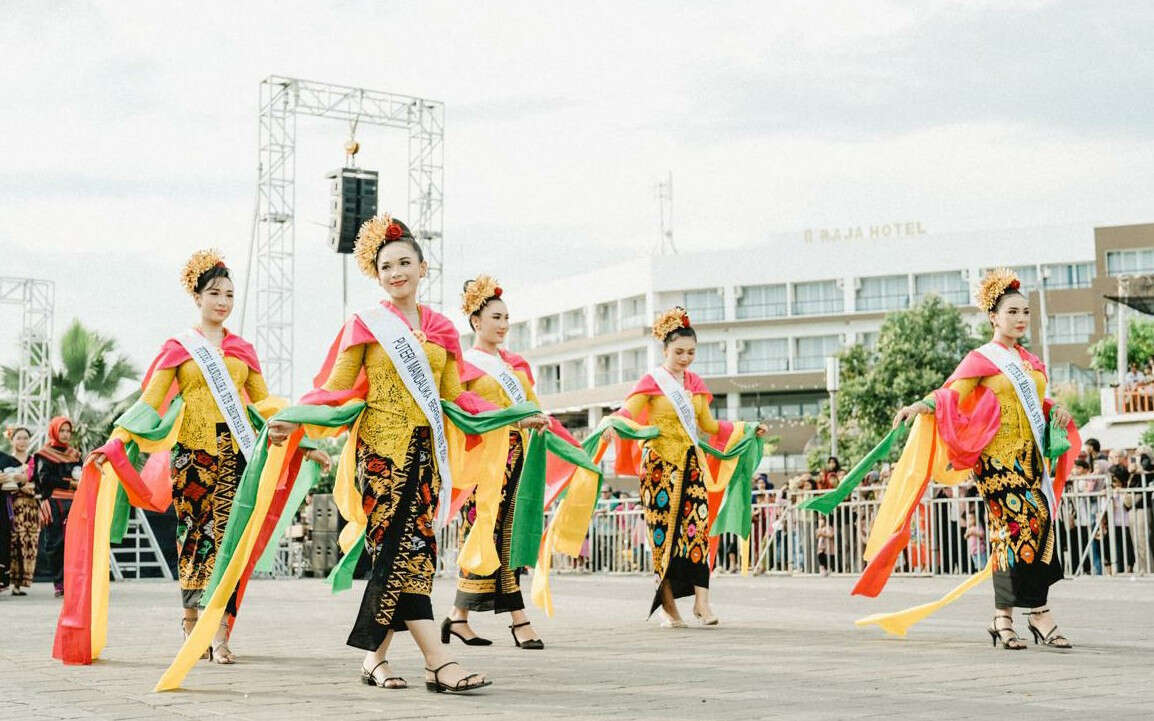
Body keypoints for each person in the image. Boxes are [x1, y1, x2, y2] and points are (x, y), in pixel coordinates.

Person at [267, 216, 510, 693]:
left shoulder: (441, 329)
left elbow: (456, 396)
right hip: (380, 457)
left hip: (427, 457)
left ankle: (373, 660)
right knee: (402, 551)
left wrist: (511, 414)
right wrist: (298, 417)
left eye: (404, 262)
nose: (396, 272)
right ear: (376, 274)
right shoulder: (366, 325)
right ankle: (439, 662)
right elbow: (336, 388)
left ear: (422, 267)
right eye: (386, 266)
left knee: (410, 558)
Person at [85, 250, 330, 665]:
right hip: (191, 458)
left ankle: (218, 632)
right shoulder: (179, 349)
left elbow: (264, 404)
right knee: (194, 538)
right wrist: (117, 440)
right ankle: (189, 620)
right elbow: (151, 401)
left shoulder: (242, 350)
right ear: (196, 296)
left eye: (230, 295)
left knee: (227, 539)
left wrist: (302, 440)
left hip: (236, 455)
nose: (222, 301)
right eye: (214, 292)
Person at [883, 268, 1079, 648]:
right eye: (1012, 313)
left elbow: (1037, 402)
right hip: (996, 462)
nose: (1021, 319)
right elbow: (950, 395)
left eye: (1025, 312)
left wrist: (1056, 410)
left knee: (1029, 530)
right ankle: (1038, 614)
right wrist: (919, 406)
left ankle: (1004, 618)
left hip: (1031, 459)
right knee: (1029, 520)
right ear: (993, 317)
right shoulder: (981, 359)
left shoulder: (1031, 362)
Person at [604, 307, 767, 626]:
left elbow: (708, 424)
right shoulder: (652, 381)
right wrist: (611, 421)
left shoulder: (695, 383)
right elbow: (628, 410)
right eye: (678, 352)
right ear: (664, 350)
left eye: (691, 352)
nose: (685, 358)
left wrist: (746, 428)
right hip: (658, 468)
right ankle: (669, 609)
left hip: (692, 466)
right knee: (662, 536)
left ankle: (702, 605)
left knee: (698, 532)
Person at [443, 275, 551, 650]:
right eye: (496, 318)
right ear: (476, 322)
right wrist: (510, 417)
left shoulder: (516, 366)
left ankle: (458, 618)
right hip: (483, 463)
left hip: (517, 459)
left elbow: (532, 406)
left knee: (506, 533)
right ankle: (519, 619)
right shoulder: (464, 365)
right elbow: (462, 407)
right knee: (485, 533)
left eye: (506, 318)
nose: (504, 325)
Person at [34, 416, 82, 598]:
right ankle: (59, 582)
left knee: (74, 543)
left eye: (68, 431)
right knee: (56, 543)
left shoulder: (75, 455)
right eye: (61, 430)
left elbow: (83, 475)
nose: (65, 434)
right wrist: (69, 484)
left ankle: (73, 581)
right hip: (54, 504)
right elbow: (44, 480)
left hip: (75, 503)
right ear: (54, 431)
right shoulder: (45, 454)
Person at [2, 426, 39, 595]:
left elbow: (41, 482)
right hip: (12, 505)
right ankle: (10, 581)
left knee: (29, 544)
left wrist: (26, 484)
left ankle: (21, 582)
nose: (22, 441)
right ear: (12, 440)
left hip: (31, 507)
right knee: (13, 542)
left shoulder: (35, 461)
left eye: (25, 438)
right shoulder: (6, 461)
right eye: (19, 438)